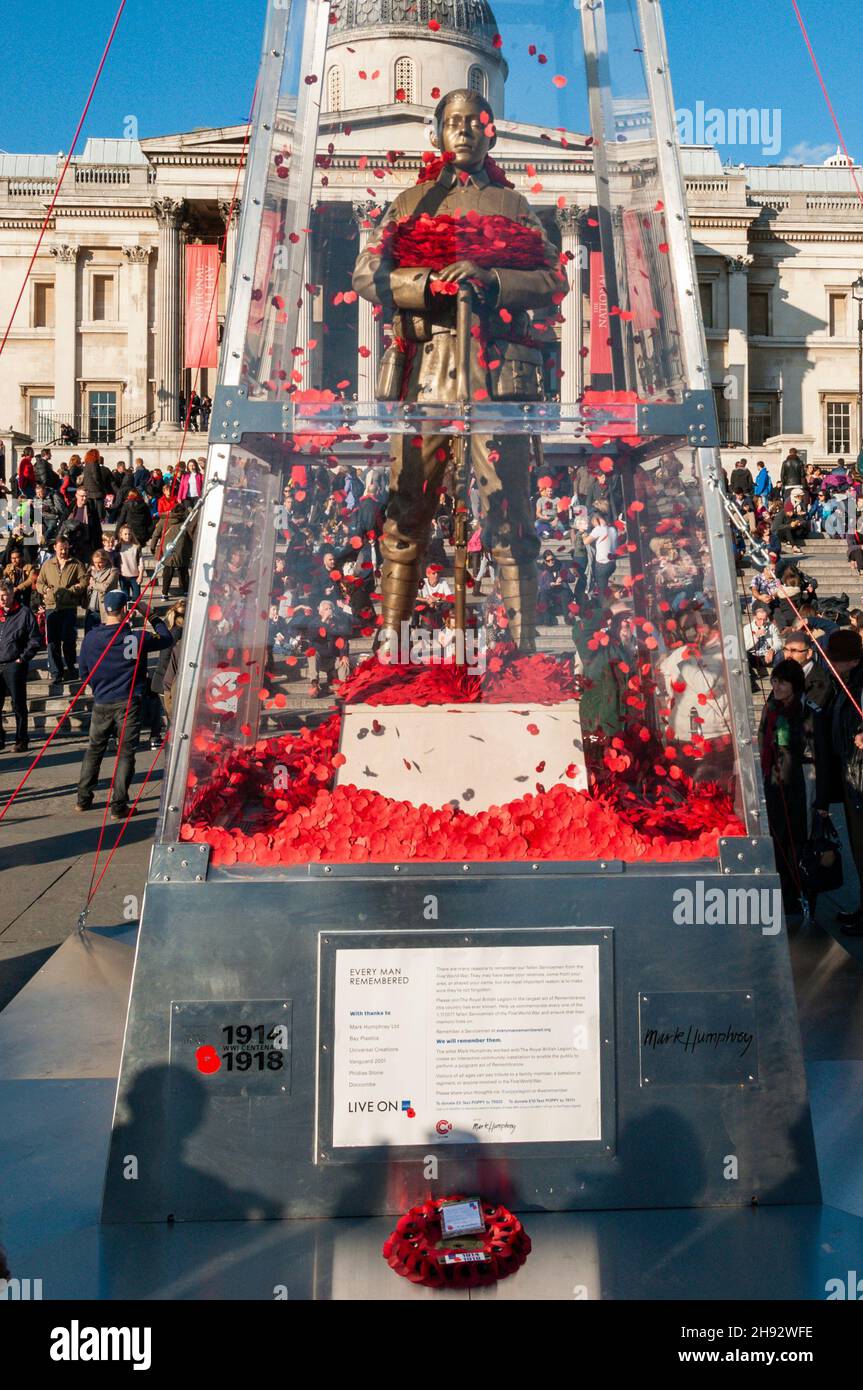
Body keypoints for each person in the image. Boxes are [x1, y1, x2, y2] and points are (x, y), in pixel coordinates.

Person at [352, 87, 567, 653]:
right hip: (428, 366)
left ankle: (522, 649)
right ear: (438, 133)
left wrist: (492, 279)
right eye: (453, 121)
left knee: (510, 515)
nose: (465, 130)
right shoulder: (410, 202)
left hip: (498, 378)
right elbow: (367, 275)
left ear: (489, 130)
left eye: (475, 120)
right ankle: (392, 645)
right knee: (407, 510)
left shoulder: (514, 205)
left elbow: (553, 280)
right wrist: (426, 285)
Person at [76, 592, 173, 818]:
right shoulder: (135, 637)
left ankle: (83, 798)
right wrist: (149, 614)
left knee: (94, 750)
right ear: (125, 610)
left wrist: (98, 686)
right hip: (128, 701)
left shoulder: (91, 637)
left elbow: (83, 672)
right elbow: (166, 638)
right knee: (125, 753)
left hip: (102, 700)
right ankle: (118, 805)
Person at [759, 658, 820, 914]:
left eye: (782, 682)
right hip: (774, 779)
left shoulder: (808, 709)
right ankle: (781, 890)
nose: (776, 686)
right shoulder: (771, 705)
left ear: (794, 684)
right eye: (774, 680)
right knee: (776, 835)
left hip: (799, 780)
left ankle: (800, 891)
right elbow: (762, 737)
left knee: (798, 836)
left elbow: (815, 750)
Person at [813, 628, 863, 934]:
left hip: (860, 775)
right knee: (859, 850)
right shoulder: (845, 682)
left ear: (849, 660)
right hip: (851, 775)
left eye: (835, 659)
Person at [35, 536, 88, 683]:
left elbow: (84, 580)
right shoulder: (47, 564)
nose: (64, 551)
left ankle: (71, 668)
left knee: (69, 639)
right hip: (51, 607)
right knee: (52, 642)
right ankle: (56, 673)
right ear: (55, 548)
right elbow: (39, 582)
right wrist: (45, 589)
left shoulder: (76, 564)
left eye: (66, 548)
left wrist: (74, 589)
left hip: (69, 607)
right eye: (61, 548)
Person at [0, 579, 40, 751]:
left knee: (18, 704)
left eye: (5, 595)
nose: (3, 599)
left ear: (12, 594)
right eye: (0, 596)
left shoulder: (24, 612)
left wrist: (22, 658)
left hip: (14, 663)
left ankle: (21, 739)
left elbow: (35, 639)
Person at [780, 627, 834, 709]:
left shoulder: (821, 681)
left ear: (809, 653)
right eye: (785, 650)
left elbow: (812, 717)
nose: (788, 655)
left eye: (794, 650)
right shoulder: (781, 674)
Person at [85, 548, 121, 634]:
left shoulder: (113, 571)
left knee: (103, 636)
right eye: (95, 563)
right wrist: (89, 587)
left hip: (104, 611)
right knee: (89, 636)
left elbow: (105, 587)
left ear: (106, 561)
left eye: (100, 562)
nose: (97, 565)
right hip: (91, 610)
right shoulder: (92, 572)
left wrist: (94, 583)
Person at [586, 510, 617, 595]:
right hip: (612, 564)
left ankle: (604, 604)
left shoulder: (599, 529)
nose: (592, 524)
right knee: (604, 586)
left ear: (596, 520)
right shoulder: (612, 529)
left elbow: (586, 541)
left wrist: (583, 534)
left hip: (602, 564)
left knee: (601, 589)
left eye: (592, 522)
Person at [113, 523, 145, 603]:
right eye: (125, 534)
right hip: (123, 576)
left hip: (135, 576)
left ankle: (133, 612)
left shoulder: (136, 547)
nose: (127, 536)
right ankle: (127, 614)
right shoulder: (118, 547)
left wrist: (141, 575)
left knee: (136, 598)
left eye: (129, 534)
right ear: (121, 535)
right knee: (125, 598)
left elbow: (141, 563)